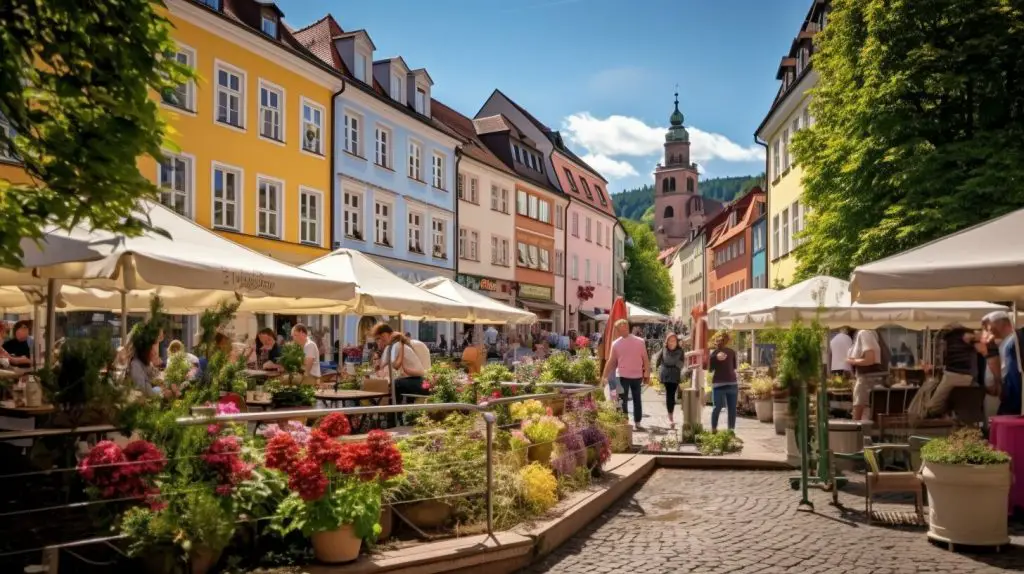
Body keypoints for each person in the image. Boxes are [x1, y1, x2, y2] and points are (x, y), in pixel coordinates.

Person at [925, 324, 984, 417]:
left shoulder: (960, 335)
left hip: (956, 374)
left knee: (933, 407)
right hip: (964, 374)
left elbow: (981, 337)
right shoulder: (956, 336)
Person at [601, 319, 649, 430]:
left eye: (624, 326)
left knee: (637, 399)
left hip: (637, 376)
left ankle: (637, 422)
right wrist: (604, 375)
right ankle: (625, 421)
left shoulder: (640, 341)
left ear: (627, 327)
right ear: (617, 330)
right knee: (622, 400)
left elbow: (645, 359)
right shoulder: (616, 344)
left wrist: (647, 374)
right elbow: (611, 361)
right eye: (620, 328)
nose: (623, 329)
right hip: (621, 376)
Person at [372, 323, 426, 407]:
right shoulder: (397, 344)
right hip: (418, 381)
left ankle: (393, 415)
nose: (380, 341)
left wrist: (378, 360)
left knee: (394, 385)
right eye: (377, 339)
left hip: (415, 381)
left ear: (386, 334)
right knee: (395, 384)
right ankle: (398, 414)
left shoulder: (394, 345)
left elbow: (385, 366)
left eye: (380, 338)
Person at [847, 328, 888, 421]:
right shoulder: (873, 332)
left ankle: (856, 434)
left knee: (858, 415)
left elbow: (870, 359)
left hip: (866, 379)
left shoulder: (864, 333)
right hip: (874, 379)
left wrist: (852, 361)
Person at [988, 312, 1022, 416]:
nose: (989, 329)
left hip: (1013, 395)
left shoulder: (1011, 343)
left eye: (991, 326)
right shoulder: (1008, 342)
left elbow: (1013, 372)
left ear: (1000, 324)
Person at [707, 331, 738, 433]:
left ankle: (714, 430)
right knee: (732, 409)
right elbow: (734, 367)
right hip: (732, 383)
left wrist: (714, 358)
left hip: (719, 384)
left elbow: (710, 369)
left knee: (717, 408)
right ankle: (731, 431)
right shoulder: (731, 352)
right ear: (728, 341)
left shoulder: (714, 354)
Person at [657, 332, 684, 429]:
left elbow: (682, 362)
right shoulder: (664, 349)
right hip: (666, 374)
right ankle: (670, 417)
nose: (672, 342)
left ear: (677, 342)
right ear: (667, 341)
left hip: (675, 375)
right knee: (670, 395)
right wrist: (658, 372)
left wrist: (676, 365)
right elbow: (658, 359)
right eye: (670, 340)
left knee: (672, 396)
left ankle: (670, 415)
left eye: (674, 340)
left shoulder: (680, 351)